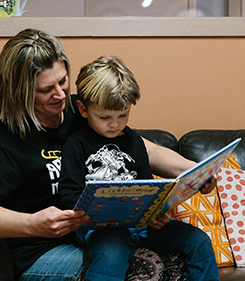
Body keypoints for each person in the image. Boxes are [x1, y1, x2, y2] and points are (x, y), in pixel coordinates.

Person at [0, 28, 219, 281]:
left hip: (109, 232)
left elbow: (144, 149)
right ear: (20, 91)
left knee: (181, 250)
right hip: (45, 251)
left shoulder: (80, 110)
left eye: (63, 81)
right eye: (46, 89)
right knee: (139, 265)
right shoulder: (7, 142)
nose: (60, 94)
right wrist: (33, 223)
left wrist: (194, 171)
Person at [57, 55, 155, 280]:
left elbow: (147, 184)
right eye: (105, 117)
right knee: (112, 247)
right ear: (83, 109)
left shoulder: (134, 142)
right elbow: (69, 194)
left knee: (196, 240)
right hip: (95, 227)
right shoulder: (77, 143)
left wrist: (154, 212)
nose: (115, 124)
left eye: (123, 115)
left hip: (137, 225)